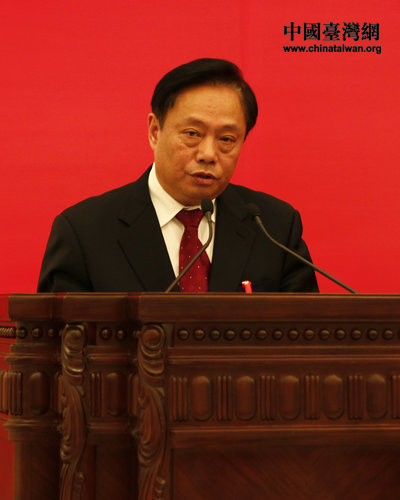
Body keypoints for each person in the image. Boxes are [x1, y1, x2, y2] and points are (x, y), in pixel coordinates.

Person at [37, 58, 318, 293]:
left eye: (226, 139)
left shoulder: (274, 228)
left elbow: (308, 333)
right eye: (192, 134)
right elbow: (58, 338)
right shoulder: (84, 232)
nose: (208, 154)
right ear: (155, 131)